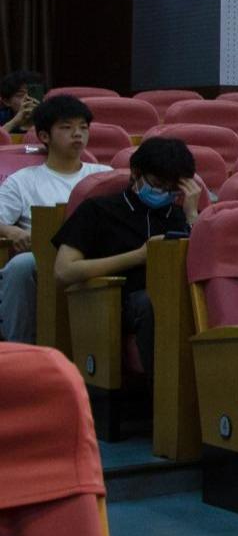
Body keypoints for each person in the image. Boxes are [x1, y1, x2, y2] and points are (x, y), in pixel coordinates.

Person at [50, 137, 202, 373]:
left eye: (173, 188)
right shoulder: (98, 210)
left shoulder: (182, 215)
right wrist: (139, 256)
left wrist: (192, 215)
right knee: (149, 303)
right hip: (118, 302)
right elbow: (64, 271)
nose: (164, 192)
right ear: (136, 173)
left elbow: (203, 266)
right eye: (158, 184)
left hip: (175, 298)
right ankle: (161, 392)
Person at [0, 96, 110, 342]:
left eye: (83, 127)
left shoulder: (103, 176)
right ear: (44, 136)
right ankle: (21, 347)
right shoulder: (23, 180)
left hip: (96, 255)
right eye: (66, 127)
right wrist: (12, 231)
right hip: (45, 256)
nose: (77, 134)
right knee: (21, 265)